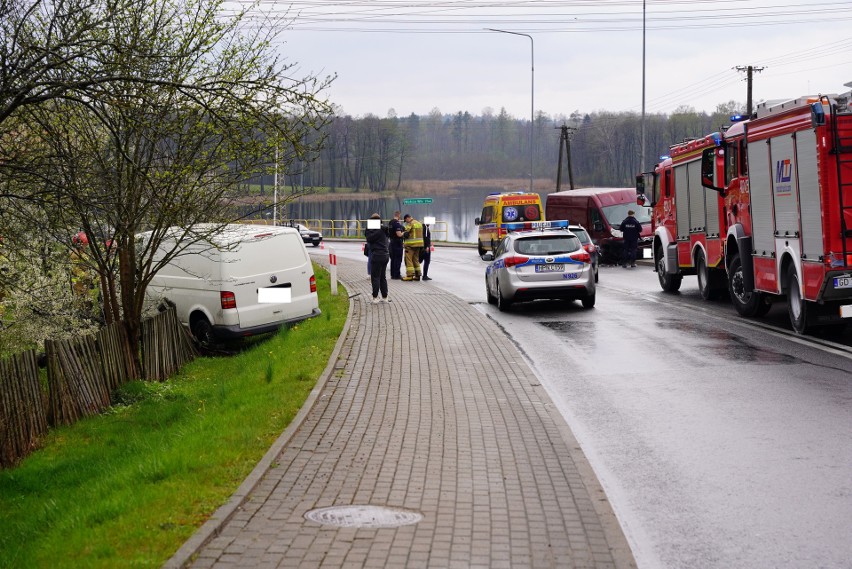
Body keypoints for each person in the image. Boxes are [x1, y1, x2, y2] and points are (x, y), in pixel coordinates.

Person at [365, 213, 391, 303]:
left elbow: (369, 239)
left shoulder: (372, 231)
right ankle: (385, 296)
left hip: (377, 255)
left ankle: (375, 297)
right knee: (382, 277)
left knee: (375, 277)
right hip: (385, 255)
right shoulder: (383, 229)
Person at [402, 214, 424, 281]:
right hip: (419, 245)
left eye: (406, 220)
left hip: (410, 245)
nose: (406, 222)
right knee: (415, 260)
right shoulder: (419, 223)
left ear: (408, 218)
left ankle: (409, 275)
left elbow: (406, 233)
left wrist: (402, 233)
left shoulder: (411, 224)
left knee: (408, 260)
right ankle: (417, 275)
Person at [388, 210, 405, 279]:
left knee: (393, 259)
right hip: (397, 243)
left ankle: (392, 274)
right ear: (399, 215)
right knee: (398, 259)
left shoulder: (390, 222)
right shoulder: (397, 223)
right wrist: (404, 233)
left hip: (391, 242)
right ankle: (397, 275)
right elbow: (399, 234)